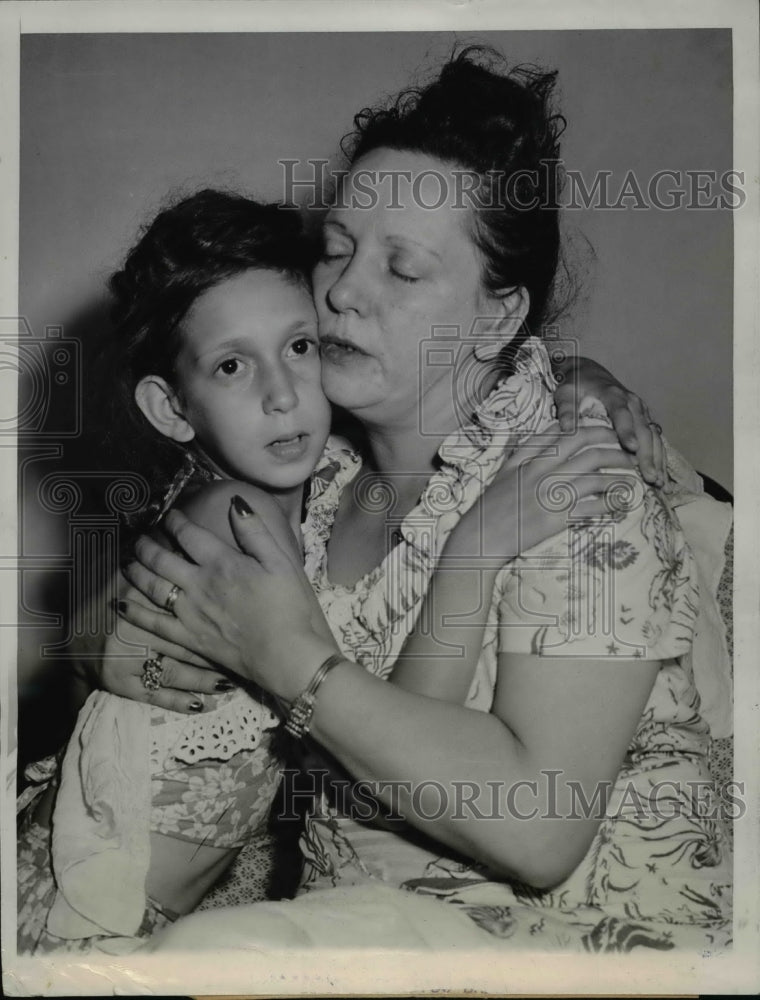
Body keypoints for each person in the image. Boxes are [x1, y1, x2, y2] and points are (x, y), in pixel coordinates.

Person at [110, 49, 732, 953]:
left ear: (494, 315)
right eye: (336, 250)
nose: (343, 292)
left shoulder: (572, 486)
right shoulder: (305, 472)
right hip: (351, 938)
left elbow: (540, 829)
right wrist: (116, 639)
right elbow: (154, 570)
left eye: (402, 272)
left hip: (581, 948)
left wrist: (286, 660)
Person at [16, 187, 624, 955]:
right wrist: (474, 550)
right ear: (172, 410)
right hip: (70, 926)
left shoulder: (317, 488)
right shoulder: (237, 518)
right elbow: (381, 737)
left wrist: (574, 374)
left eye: (299, 346)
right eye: (233, 365)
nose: (281, 394)